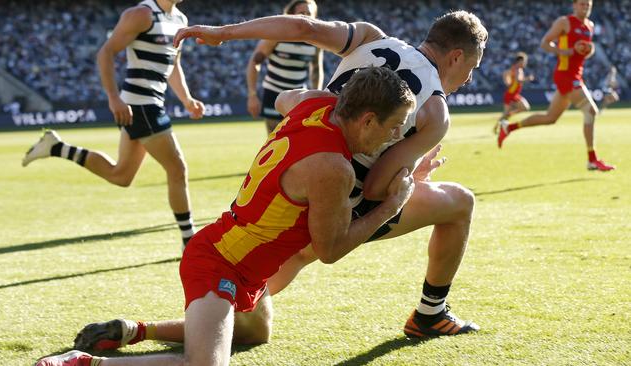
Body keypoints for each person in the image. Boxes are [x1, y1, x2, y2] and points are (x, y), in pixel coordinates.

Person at [71, 10, 487, 351]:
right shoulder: (435, 110)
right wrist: (411, 179)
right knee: (460, 202)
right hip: (336, 199)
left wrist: (224, 30)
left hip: (292, 181)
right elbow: (379, 187)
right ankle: (430, 314)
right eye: (471, 67)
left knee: (251, 315)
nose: (468, 78)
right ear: (455, 56)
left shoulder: (369, 37)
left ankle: (140, 330)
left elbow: (301, 30)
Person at [36, 67, 417, 366]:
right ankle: (83, 363)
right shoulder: (334, 168)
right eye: (393, 125)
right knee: (203, 364)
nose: (395, 135)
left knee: (255, 333)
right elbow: (330, 249)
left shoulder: (316, 108)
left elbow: (286, 98)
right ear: (367, 120)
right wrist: (391, 206)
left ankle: (134, 330)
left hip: (243, 262)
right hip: (219, 263)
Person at [22, 0, 206, 248]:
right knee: (177, 169)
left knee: (121, 175)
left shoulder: (180, 20)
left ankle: (56, 147)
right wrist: (113, 97)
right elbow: (105, 53)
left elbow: (174, 65)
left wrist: (186, 99)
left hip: (151, 104)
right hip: (140, 105)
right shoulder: (141, 14)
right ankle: (189, 241)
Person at [497, 0, 614, 171]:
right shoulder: (564, 22)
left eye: (588, 5)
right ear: (574, 5)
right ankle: (592, 159)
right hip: (565, 75)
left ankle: (508, 127)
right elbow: (545, 43)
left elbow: (581, 53)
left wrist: (590, 50)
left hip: (575, 75)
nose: (585, 7)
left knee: (550, 118)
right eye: (582, 4)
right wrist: (561, 51)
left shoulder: (590, 25)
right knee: (591, 111)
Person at [246, 0, 323, 134]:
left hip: (299, 96)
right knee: (276, 140)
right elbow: (255, 62)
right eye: (301, 13)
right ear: (291, 15)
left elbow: (316, 70)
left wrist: (317, 96)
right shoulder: (277, 35)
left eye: (308, 13)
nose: (305, 16)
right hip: (274, 95)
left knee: (299, 140)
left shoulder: (316, 42)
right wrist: (252, 94)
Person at [493, 52, 534, 134]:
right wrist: (528, 79)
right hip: (510, 94)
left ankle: (508, 115)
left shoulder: (516, 69)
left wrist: (506, 80)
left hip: (514, 94)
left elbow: (505, 73)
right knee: (506, 113)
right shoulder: (517, 69)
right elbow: (518, 80)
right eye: (524, 61)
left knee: (525, 107)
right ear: (519, 61)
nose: (525, 63)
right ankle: (496, 128)